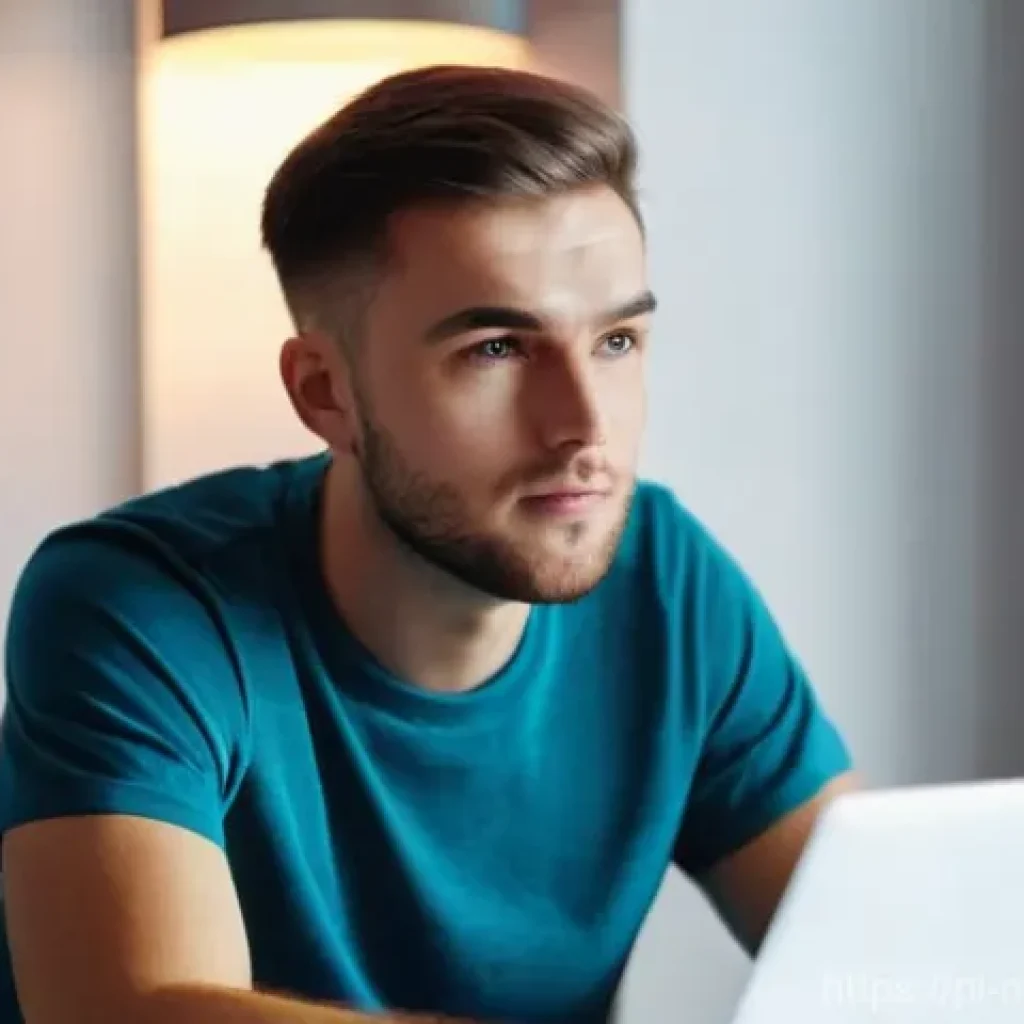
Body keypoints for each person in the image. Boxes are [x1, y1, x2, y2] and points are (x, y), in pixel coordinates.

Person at [0, 64, 855, 1024]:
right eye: (497, 349)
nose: (585, 427)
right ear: (325, 392)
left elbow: (892, 957)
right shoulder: (140, 603)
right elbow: (124, 1010)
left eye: (615, 342)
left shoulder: (666, 579)